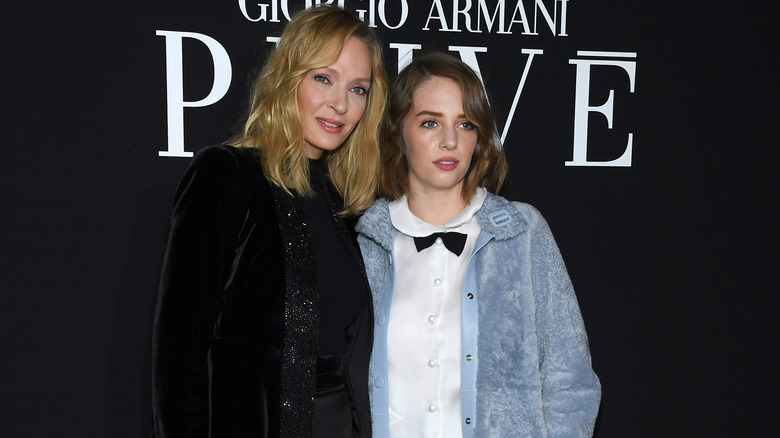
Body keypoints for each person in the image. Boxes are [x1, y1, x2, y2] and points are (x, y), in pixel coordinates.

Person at [151, 6, 388, 438]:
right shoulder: (226, 176)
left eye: (358, 89)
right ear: (289, 77)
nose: (340, 103)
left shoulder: (350, 204)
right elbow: (179, 354)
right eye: (323, 78)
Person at [356, 52, 601, 438]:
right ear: (398, 132)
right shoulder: (365, 242)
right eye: (430, 122)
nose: (449, 140)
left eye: (465, 124)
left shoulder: (522, 232)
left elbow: (569, 378)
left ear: (481, 137)